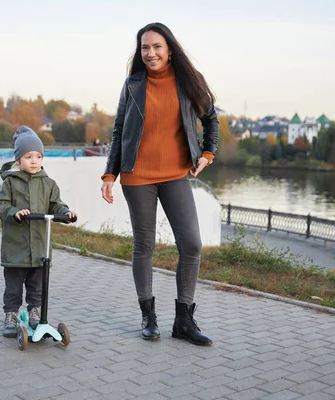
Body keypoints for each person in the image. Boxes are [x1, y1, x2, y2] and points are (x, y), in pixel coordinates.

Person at [100, 22, 219, 346]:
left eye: (156, 47)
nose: (150, 53)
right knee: (145, 246)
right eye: (144, 48)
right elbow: (119, 130)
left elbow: (211, 118)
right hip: (137, 176)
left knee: (192, 244)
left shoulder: (189, 81)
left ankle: (183, 319)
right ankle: (148, 316)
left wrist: (208, 152)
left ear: (169, 50)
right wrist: (110, 174)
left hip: (177, 174)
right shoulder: (133, 84)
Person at [0, 125, 77, 338]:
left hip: (39, 248)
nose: (34, 161)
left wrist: (65, 213)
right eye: (28, 156)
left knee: (36, 287)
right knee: (13, 288)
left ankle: (35, 314)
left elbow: (56, 204)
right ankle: (11, 314)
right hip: (16, 247)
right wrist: (14, 212)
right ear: (18, 160)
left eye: (38, 156)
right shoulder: (10, 182)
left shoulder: (48, 184)